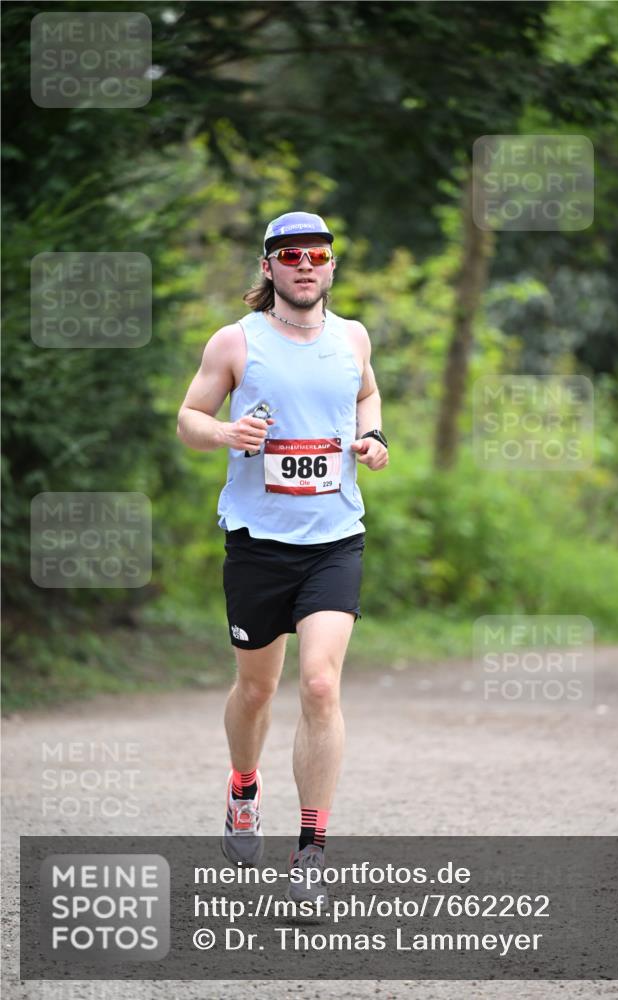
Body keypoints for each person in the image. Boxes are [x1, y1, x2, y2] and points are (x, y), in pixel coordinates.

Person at [176, 211, 388, 903]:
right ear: (268, 267)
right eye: (291, 255)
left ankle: (310, 853)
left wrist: (372, 436)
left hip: (334, 538)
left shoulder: (351, 337)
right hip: (258, 543)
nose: (306, 265)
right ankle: (243, 786)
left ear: (330, 266)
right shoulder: (236, 342)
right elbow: (188, 419)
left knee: (321, 686)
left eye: (318, 255)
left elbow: (366, 392)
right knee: (259, 689)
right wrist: (225, 431)